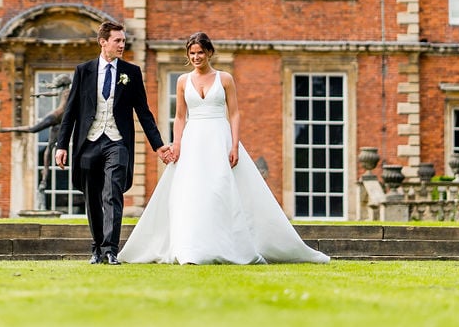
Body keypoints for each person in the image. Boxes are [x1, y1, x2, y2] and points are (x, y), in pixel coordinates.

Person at [119, 32, 330, 265]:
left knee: (220, 188)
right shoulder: (182, 81)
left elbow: (235, 113)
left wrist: (235, 144)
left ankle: (227, 244)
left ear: (209, 52)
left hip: (219, 137)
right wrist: (177, 143)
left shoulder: (225, 78)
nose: (196, 57)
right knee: (191, 192)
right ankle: (191, 249)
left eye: (200, 52)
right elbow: (179, 117)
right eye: (192, 53)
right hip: (193, 140)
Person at [54, 21, 174, 265]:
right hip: (88, 142)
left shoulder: (131, 72)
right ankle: (96, 247)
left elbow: (144, 112)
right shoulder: (84, 71)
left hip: (117, 142)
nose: (122, 44)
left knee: (112, 193)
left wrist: (158, 145)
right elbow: (71, 112)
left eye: (123, 40)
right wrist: (61, 145)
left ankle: (111, 249)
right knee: (93, 198)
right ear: (103, 42)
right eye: (117, 40)